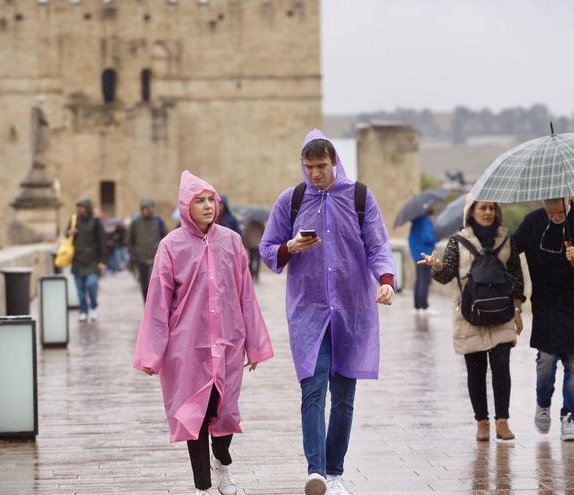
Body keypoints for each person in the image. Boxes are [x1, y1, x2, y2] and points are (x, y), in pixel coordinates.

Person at [260, 129, 396, 495]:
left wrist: (385, 281)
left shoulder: (360, 197)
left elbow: (378, 246)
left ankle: (335, 472)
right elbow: (268, 249)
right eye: (309, 167)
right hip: (309, 311)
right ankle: (316, 472)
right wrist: (291, 246)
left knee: (344, 396)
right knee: (313, 388)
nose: (315, 173)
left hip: (352, 309)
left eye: (321, 166)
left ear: (334, 162)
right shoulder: (291, 200)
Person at [133, 171, 274, 495]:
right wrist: (152, 353)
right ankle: (203, 487)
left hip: (228, 342)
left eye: (212, 199)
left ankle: (222, 462)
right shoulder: (170, 246)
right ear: (186, 206)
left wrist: (254, 345)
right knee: (193, 415)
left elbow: (246, 295)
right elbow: (157, 303)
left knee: (225, 412)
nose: (209, 206)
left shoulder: (232, 241)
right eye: (200, 201)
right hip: (187, 347)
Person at [419, 195, 525, 441]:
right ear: (471, 212)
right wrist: (436, 266)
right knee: (475, 370)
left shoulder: (506, 239)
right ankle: (482, 422)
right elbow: (445, 276)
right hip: (469, 314)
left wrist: (518, 310)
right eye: (482, 208)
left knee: (501, 365)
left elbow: (517, 277)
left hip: (502, 313)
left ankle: (502, 421)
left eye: (492, 208)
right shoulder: (458, 241)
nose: (488, 212)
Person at [512, 197, 574, 441]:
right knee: (546, 362)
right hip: (546, 307)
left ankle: (569, 417)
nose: (555, 217)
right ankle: (543, 403)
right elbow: (511, 250)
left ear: (568, 201)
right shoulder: (533, 222)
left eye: (560, 213)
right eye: (550, 213)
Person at [67, 197, 106, 322]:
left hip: (92, 262)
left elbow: (102, 242)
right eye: (78, 206)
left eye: (81, 207)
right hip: (77, 261)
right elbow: (65, 236)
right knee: (80, 290)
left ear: (87, 208)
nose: (79, 209)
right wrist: (70, 233)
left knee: (91, 285)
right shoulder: (74, 220)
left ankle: (93, 307)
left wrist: (102, 261)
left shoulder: (96, 222)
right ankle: (83, 311)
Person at [127, 198, 168, 301]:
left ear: (152, 209)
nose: (145, 211)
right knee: (144, 285)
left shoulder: (158, 220)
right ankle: (147, 305)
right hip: (141, 258)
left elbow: (166, 238)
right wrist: (133, 254)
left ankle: (155, 304)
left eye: (148, 209)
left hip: (156, 257)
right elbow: (130, 240)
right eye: (143, 209)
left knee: (153, 283)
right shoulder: (136, 222)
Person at [408, 210, 438, 313]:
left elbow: (411, 238)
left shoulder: (417, 220)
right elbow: (427, 237)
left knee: (419, 279)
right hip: (425, 253)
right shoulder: (425, 220)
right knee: (424, 280)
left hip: (417, 253)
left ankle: (417, 306)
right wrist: (437, 238)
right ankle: (423, 306)